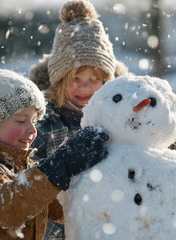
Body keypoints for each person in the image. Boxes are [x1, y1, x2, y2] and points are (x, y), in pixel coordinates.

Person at [0, 67, 109, 240]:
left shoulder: (23, 168)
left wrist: (99, 191)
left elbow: (64, 207)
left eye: (34, 121)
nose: (32, 129)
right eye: (21, 121)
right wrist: (59, 165)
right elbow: (5, 208)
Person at [29, 0, 127, 238]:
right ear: (59, 81)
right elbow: (28, 181)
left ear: (107, 80)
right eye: (75, 78)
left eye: (94, 78)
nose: (85, 87)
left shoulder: (120, 117)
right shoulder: (43, 124)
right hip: (58, 231)